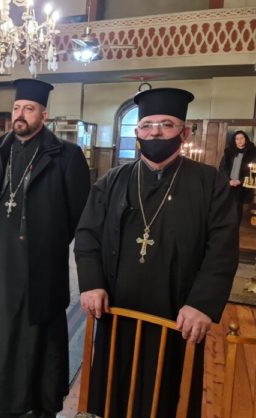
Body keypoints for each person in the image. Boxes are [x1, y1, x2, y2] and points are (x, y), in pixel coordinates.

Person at [75, 87, 239, 418]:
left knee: (168, 394)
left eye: (166, 124)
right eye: (148, 125)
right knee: (113, 389)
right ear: (137, 132)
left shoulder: (209, 183)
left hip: (178, 312)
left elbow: (222, 248)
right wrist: (91, 283)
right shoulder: (113, 180)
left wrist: (202, 304)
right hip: (117, 308)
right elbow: (87, 234)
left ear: (184, 132)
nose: (156, 132)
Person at [0, 79, 91, 417]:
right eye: (17, 108)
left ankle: (35, 400)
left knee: (33, 333)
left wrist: (48, 242)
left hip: (38, 262)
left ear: (43, 115)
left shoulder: (66, 155)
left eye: (29, 109)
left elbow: (79, 213)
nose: (20, 114)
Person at [219, 130, 256, 225]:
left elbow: (253, 172)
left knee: (237, 208)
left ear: (246, 139)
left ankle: (234, 227)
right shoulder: (229, 151)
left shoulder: (253, 152)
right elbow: (222, 168)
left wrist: (240, 181)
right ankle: (224, 226)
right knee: (225, 207)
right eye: (237, 139)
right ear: (234, 140)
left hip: (243, 185)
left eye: (242, 138)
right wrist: (228, 180)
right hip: (228, 183)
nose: (239, 140)